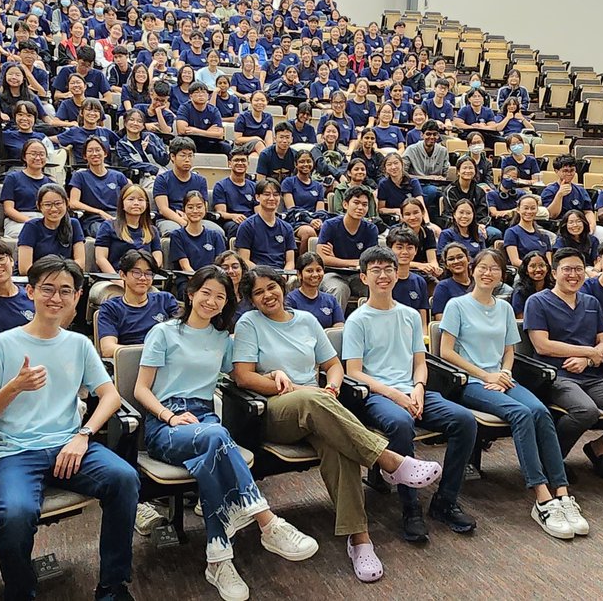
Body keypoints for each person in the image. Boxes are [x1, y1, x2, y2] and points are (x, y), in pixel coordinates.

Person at [233, 267, 441, 581]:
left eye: (271, 287)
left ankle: (360, 540)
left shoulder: (305, 320)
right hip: (276, 410)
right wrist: (291, 386)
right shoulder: (250, 323)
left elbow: (332, 365)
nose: (267, 296)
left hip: (320, 406)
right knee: (314, 401)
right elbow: (242, 376)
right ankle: (389, 460)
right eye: (258, 292)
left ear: (282, 287)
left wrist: (331, 387)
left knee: (340, 446)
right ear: (251, 299)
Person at [134, 267, 319, 601]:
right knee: (217, 437)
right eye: (206, 292)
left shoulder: (222, 339)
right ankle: (266, 521)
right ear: (190, 293)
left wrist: (275, 371)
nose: (212, 301)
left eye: (220, 296)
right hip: (166, 423)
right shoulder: (163, 333)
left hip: (204, 418)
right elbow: (141, 390)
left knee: (213, 452)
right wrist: (169, 416)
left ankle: (219, 561)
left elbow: (242, 375)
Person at [0, 257, 140, 601]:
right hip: (14, 452)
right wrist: (13, 387)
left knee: (124, 478)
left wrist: (83, 434)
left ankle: (112, 586)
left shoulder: (79, 344)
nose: (55, 298)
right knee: (15, 514)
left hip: (70, 445)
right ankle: (21, 592)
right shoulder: (0, 344)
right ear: (30, 292)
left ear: (77, 297)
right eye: (47, 289)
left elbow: (110, 397)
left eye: (65, 291)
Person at [439, 249, 589, 539]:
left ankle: (562, 492)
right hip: (470, 382)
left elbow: (509, 351)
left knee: (541, 411)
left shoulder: (505, 308)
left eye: (494, 269)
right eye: (482, 267)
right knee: (521, 414)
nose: (487, 273)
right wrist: (486, 375)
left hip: (502, 379)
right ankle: (542, 498)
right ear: (473, 271)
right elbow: (446, 352)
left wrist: (504, 374)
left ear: (502, 275)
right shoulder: (457, 305)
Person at [344, 246, 478, 542]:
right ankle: (410, 507)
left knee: (464, 421)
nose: (383, 275)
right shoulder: (358, 319)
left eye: (388, 269)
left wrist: (417, 388)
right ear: (364, 277)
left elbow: (420, 362)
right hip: (377, 395)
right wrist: (396, 395)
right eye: (376, 270)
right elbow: (354, 372)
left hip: (412, 390)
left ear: (397, 274)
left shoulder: (409, 315)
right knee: (401, 424)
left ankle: (445, 501)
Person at [524, 248, 603, 478]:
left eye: (579, 269)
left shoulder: (591, 302)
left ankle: (599, 447)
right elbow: (542, 345)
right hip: (556, 375)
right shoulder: (538, 301)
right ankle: (551, 459)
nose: (574, 275)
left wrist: (587, 359)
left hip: (591, 375)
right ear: (554, 273)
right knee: (586, 411)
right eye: (567, 269)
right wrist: (589, 352)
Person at [96, 250, 180, 359]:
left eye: (148, 273)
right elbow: (107, 349)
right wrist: (151, 352)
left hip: (167, 361)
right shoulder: (110, 308)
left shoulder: (165, 300)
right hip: (131, 362)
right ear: (122, 275)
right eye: (136, 272)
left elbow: (182, 335)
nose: (143, 278)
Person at [316, 184, 378, 308]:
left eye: (364, 204)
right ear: (345, 204)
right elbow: (322, 259)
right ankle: (335, 326)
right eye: (356, 202)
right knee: (339, 289)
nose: (360, 207)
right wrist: (355, 262)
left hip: (359, 276)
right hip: (333, 274)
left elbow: (370, 262)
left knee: (376, 288)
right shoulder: (330, 226)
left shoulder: (371, 229)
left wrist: (336, 260)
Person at [153, 137, 224, 237]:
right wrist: (185, 223)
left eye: (190, 156)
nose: (187, 160)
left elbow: (204, 207)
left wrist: (191, 219)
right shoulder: (162, 179)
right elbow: (163, 209)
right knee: (174, 233)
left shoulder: (200, 180)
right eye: (183, 156)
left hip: (195, 217)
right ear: (173, 157)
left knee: (218, 232)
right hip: (170, 219)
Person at [17, 185, 86, 275]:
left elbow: (80, 262)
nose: (53, 209)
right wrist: (54, 275)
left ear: (67, 202)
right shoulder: (31, 226)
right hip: (36, 278)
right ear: (39, 206)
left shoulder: (74, 224)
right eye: (48, 205)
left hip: (65, 277)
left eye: (58, 203)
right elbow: (24, 268)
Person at [94, 184, 163, 275]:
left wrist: (147, 276)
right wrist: (118, 280)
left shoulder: (152, 230)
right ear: (122, 204)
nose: (136, 203)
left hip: (143, 279)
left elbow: (157, 259)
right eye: (131, 199)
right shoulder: (108, 226)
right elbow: (101, 259)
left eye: (140, 200)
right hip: (114, 278)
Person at [68, 138, 130, 238]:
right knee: (107, 233)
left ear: (105, 153)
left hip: (118, 217)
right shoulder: (79, 176)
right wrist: (99, 212)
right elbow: (73, 203)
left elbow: (130, 196)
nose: (94, 153)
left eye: (98, 150)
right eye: (90, 151)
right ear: (85, 156)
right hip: (93, 219)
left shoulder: (118, 176)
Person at [236, 179, 297, 271]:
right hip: (257, 275)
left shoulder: (287, 228)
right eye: (267, 194)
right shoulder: (247, 226)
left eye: (276, 195)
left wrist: (285, 274)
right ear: (257, 197)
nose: (272, 198)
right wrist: (265, 274)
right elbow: (244, 260)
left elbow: (290, 262)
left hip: (281, 276)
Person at [541, 155, 601, 239]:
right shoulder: (549, 191)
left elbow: (588, 211)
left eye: (572, 170)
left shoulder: (580, 190)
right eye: (565, 171)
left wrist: (591, 225)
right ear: (556, 171)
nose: (569, 174)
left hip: (581, 225)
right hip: (560, 227)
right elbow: (552, 215)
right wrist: (559, 195)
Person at [170, 191, 228, 273]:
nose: (195, 211)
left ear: (205, 208)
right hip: (188, 280)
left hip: (212, 280)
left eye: (199, 207)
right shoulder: (177, 235)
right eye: (190, 207)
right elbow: (185, 266)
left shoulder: (216, 235)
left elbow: (219, 266)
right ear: (184, 209)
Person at [386, 228, 431, 326]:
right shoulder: (384, 280)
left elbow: (423, 321)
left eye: (410, 248)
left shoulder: (420, 281)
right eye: (399, 247)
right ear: (390, 249)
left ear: (415, 251)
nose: (405, 252)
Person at [287, 252, 345, 329]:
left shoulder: (331, 300)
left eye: (318, 270)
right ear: (299, 274)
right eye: (309, 271)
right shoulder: (290, 300)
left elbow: (338, 327)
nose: (315, 275)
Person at [211, 149, 257, 239]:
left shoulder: (254, 186)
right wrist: (234, 216)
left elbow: (259, 212)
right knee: (237, 227)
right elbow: (221, 212)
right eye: (236, 160)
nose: (240, 163)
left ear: (248, 163)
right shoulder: (221, 186)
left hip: (251, 220)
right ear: (229, 163)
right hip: (231, 221)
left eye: (243, 160)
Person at [176, 82, 230, 155]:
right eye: (197, 92)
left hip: (208, 141)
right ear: (190, 96)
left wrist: (196, 131)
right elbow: (182, 130)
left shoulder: (214, 110)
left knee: (226, 147)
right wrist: (208, 132)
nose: (201, 95)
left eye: (203, 92)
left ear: (208, 95)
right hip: (190, 140)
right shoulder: (184, 108)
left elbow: (220, 134)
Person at [502, 194, 551, 267]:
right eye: (526, 208)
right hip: (523, 273)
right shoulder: (511, 232)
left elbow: (549, 262)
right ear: (518, 210)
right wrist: (533, 268)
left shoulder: (544, 236)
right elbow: (515, 261)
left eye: (533, 208)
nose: (529, 211)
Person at [509, 251, 552, 318]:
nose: (538, 269)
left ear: (547, 268)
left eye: (541, 265)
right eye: (533, 266)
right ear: (526, 270)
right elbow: (520, 319)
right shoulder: (520, 292)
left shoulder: (553, 288)